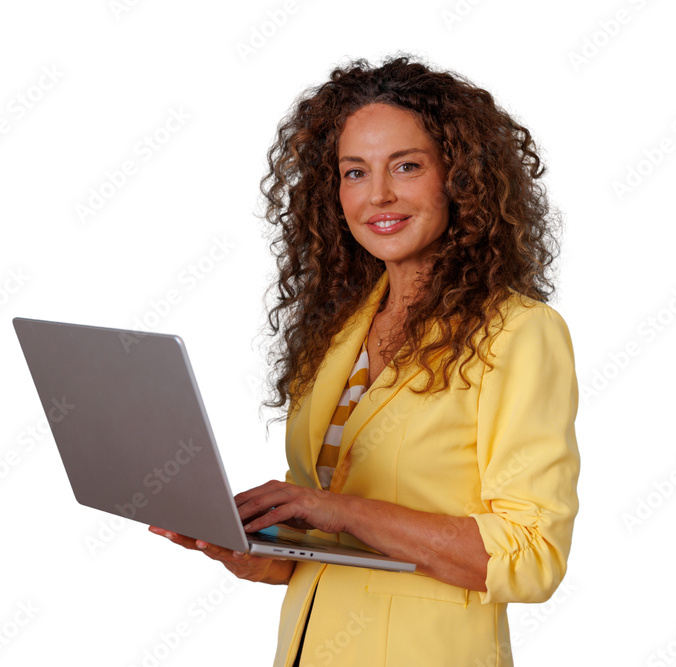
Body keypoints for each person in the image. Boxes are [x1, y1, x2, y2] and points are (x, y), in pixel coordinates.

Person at [150, 54, 580, 666]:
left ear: (459, 177)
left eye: (406, 166)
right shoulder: (339, 331)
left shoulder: (520, 334)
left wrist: (334, 507)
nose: (378, 194)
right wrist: (249, 546)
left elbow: (531, 555)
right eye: (355, 172)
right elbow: (327, 544)